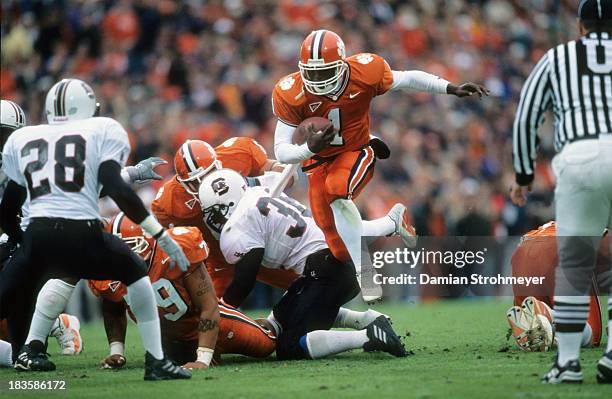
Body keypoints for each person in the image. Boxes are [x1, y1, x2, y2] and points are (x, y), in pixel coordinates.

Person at [272, 29, 488, 300]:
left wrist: (449, 87)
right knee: (338, 246)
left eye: (324, 71)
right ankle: (390, 223)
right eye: (311, 72)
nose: (317, 79)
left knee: (337, 190)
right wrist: (308, 148)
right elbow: (280, 151)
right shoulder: (290, 91)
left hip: (356, 148)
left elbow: (407, 78)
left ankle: (365, 272)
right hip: (317, 159)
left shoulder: (365, 71)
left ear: (341, 64)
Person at [0, 78, 191, 380]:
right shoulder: (100, 132)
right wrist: (159, 234)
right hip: (80, 233)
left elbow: (9, 205)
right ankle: (156, 361)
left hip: (34, 238)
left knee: (17, 293)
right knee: (136, 271)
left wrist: (20, 241)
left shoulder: (27, 143)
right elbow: (114, 188)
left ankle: (31, 349)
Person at [199, 169, 407, 361]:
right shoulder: (260, 190)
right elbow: (283, 174)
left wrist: (221, 311)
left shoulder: (236, 228)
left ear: (227, 207)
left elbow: (244, 280)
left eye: (213, 212)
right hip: (331, 262)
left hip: (327, 270)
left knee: (289, 347)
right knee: (278, 322)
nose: (211, 220)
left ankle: (368, 336)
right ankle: (367, 319)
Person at [510, 0, 612, 384]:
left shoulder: (558, 58)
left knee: (574, 266)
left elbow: (527, 116)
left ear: (581, 26)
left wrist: (522, 175)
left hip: (580, 156)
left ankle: (567, 362)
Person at [89, 213, 277, 368]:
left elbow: (209, 306)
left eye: (130, 248)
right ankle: (207, 352)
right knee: (177, 361)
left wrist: (202, 360)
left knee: (266, 346)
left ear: (149, 240)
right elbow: (113, 308)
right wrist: (116, 352)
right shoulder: (107, 271)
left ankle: (271, 323)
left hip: (208, 323)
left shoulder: (177, 250)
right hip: (170, 339)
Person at [152, 138, 300, 296]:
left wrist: (277, 173)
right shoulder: (168, 203)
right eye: (196, 182)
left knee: (307, 281)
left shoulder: (236, 153)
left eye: (209, 174)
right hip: (219, 258)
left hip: (260, 237)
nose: (205, 184)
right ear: (183, 183)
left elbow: (284, 176)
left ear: (219, 164)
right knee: (213, 312)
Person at [507, 222, 606, 352]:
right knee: (592, 334)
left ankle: (536, 324)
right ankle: (551, 315)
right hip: (559, 249)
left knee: (531, 316)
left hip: (522, 251)